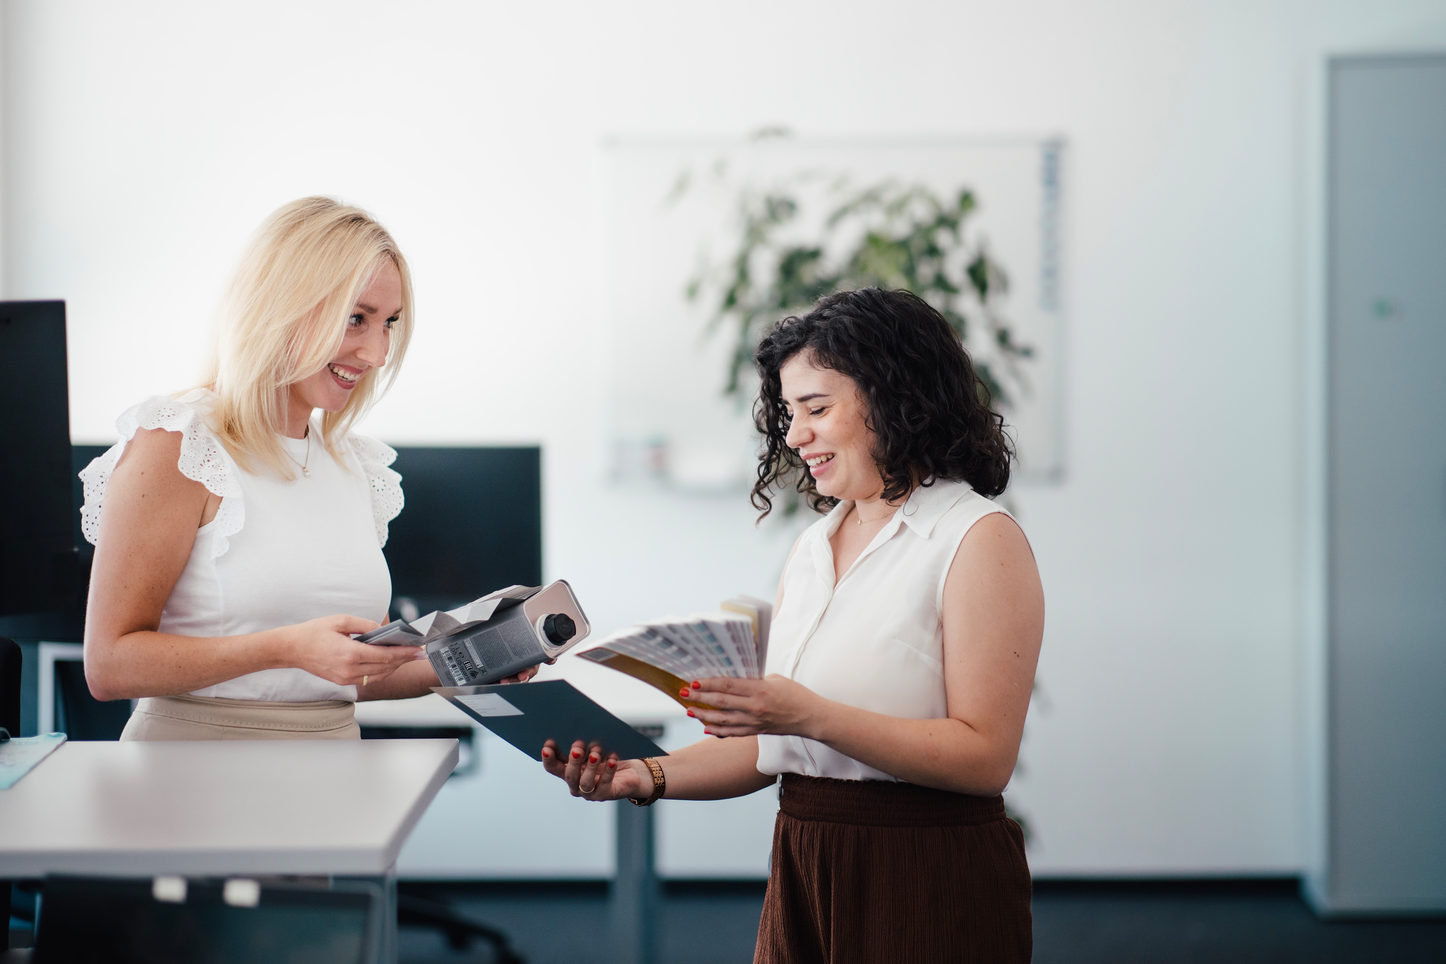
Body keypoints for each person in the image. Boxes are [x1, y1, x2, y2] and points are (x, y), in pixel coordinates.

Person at [543, 288, 1043, 962]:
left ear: (897, 399)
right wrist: (646, 775)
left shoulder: (977, 538)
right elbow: (773, 750)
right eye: (788, 412)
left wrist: (807, 714)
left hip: (926, 868)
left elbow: (985, 759)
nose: (794, 433)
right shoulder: (815, 546)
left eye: (816, 408)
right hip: (807, 859)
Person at [81, 196, 535, 741]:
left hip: (333, 774)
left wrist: (479, 660)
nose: (376, 353)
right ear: (280, 306)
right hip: (195, 776)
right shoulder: (178, 444)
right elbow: (109, 666)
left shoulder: (350, 465)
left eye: (389, 323)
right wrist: (285, 647)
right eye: (355, 319)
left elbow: (343, 679)